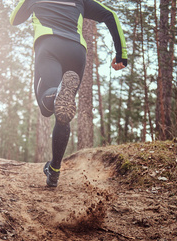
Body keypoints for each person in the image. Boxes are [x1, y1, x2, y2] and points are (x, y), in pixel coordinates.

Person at [10, 0, 127, 187]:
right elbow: (110, 15)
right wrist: (121, 54)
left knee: (46, 106)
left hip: (49, 46)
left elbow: (14, 19)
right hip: (76, 51)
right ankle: (54, 170)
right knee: (63, 112)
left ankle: (56, 93)